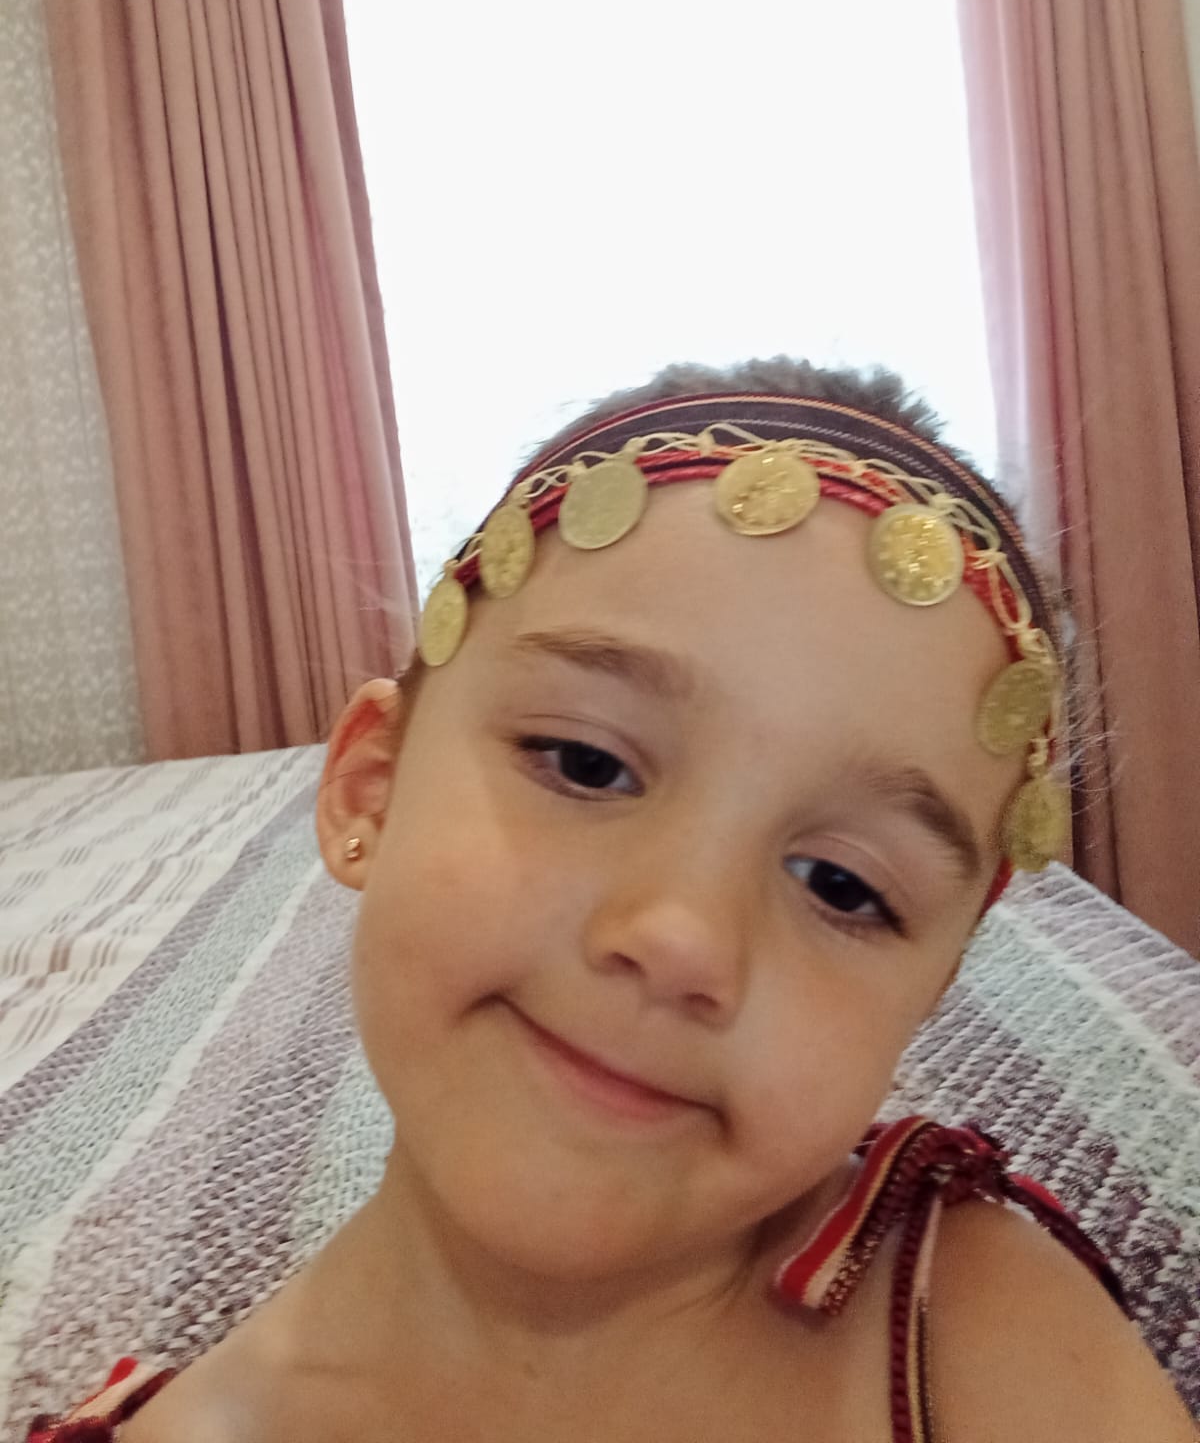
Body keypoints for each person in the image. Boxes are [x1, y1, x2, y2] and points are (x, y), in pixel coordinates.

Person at [29, 361, 1196, 1442]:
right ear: (369, 788)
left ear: (930, 992)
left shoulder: (972, 1332)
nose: (682, 937)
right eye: (587, 764)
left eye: (844, 887)